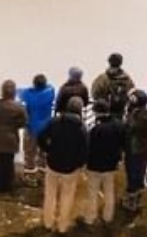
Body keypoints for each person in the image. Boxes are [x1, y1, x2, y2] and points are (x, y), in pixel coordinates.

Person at [37, 98, 88, 234]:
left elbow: (40, 137)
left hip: (53, 164)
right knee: (67, 197)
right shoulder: (81, 128)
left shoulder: (55, 122)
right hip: (70, 169)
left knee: (50, 195)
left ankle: (48, 222)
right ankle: (62, 226)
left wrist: (48, 149)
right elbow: (84, 150)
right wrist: (78, 164)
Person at [82, 99, 125, 226]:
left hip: (94, 166)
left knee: (92, 193)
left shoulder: (95, 129)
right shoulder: (118, 125)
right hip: (111, 165)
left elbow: (88, 148)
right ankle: (108, 216)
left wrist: (85, 162)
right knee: (109, 191)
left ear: (96, 112)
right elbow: (122, 144)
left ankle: (90, 217)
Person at [0, 79, 27, 193]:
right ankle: (9, 186)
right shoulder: (19, 107)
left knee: (0, 163)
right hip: (12, 139)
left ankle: (0, 186)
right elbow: (24, 122)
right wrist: (14, 126)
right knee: (9, 163)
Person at [17, 73, 55, 186]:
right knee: (44, 153)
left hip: (31, 128)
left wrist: (31, 88)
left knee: (30, 154)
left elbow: (19, 92)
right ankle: (43, 176)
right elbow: (51, 87)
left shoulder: (28, 95)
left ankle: (30, 177)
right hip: (46, 129)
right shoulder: (50, 92)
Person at [122, 89, 147, 212]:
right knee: (140, 171)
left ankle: (132, 198)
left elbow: (130, 129)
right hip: (146, 146)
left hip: (134, 148)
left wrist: (129, 114)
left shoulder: (135, 116)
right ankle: (138, 195)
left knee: (132, 172)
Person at [91, 53, 136, 120]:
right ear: (121, 63)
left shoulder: (102, 78)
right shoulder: (127, 79)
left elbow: (94, 93)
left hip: (104, 111)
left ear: (109, 62)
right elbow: (132, 92)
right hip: (120, 111)